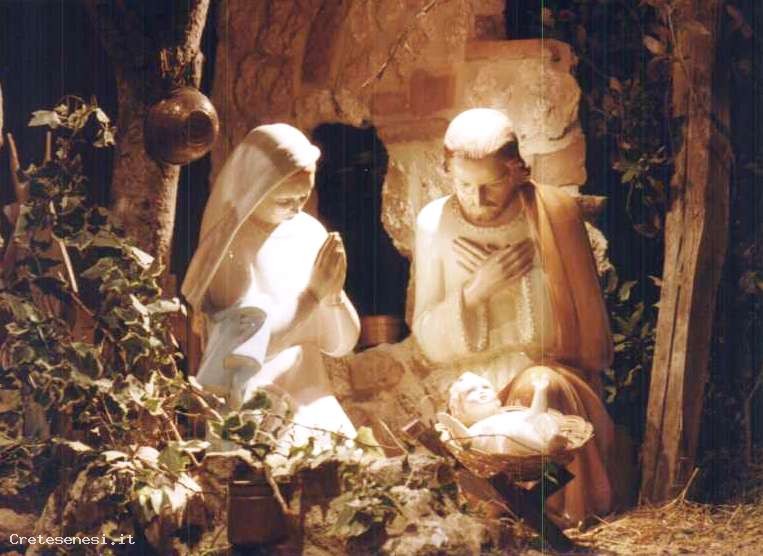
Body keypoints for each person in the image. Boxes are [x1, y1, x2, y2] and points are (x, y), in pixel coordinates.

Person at [412, 108, 616, 526]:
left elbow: (591, 333)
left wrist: (525, 286)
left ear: (517, 171)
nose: (477, 199)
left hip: (551, 373)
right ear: (448, 172)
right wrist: (475, 293)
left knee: (539, 386)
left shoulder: (554, 214)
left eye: (492, 185)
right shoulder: (434, 224)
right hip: (472, 387)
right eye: (464, 185)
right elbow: (427, 337)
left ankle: (548, 517)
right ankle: (503, 515)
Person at [181, 124, 359, 447]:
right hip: (255, 404)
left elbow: (340, 344)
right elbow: (247, 348)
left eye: (303, 197)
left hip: (311, 393)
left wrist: (333, 298)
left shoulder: (309, 232)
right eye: (284, 200)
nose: (297, 208)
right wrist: (312, 295)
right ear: (254, 188)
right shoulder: (229, 248)